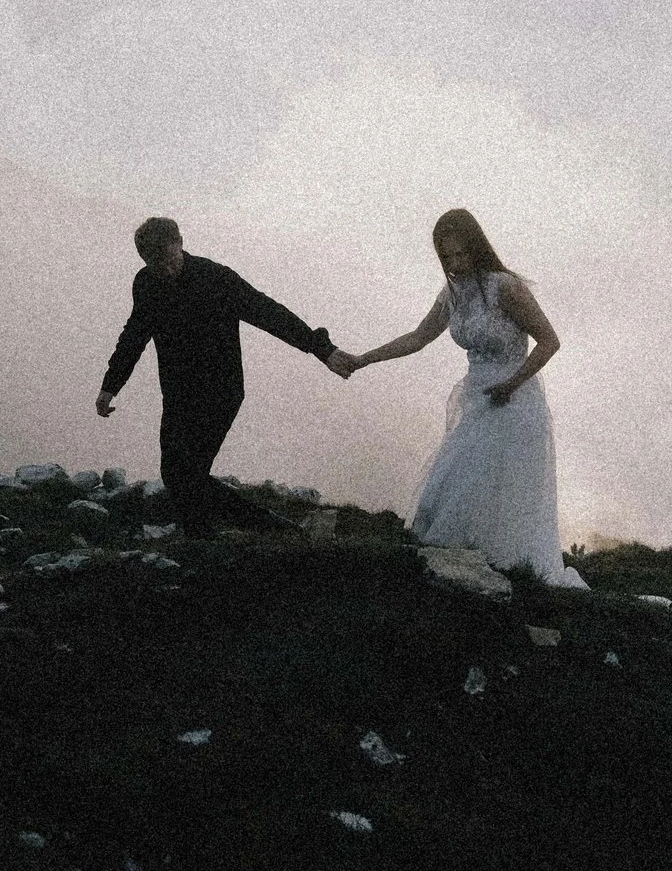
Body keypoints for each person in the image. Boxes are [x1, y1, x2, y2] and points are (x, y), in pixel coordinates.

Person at [331, 209, 586, 589]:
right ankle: (467, 571)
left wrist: (512, 383)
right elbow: (417, 339)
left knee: (495, 487)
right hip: (479, 399)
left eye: (461, 255)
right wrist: (364, 359)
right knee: (456, 483)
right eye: (446, 257)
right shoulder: (452, 295)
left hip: (515, 402)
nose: (455, 264)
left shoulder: (505, 287)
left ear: (477, 248)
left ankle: (508, 574)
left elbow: (550, 341)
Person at [97, 217, 352, 537]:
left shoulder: (215, 278)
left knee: (187, 474)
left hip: (221, 390)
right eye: (155, 265)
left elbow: (268, 313)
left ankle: (268, 530)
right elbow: (135, 335)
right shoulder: (146, 284)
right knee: (177, 475)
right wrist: (111, 385)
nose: (165, 271)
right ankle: (202, 536)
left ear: (180, 243)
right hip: (177, 392)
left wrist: (321, 348)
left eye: (169, 260)